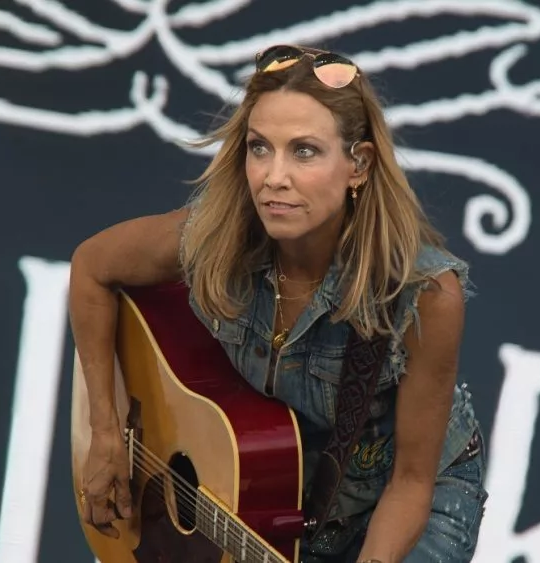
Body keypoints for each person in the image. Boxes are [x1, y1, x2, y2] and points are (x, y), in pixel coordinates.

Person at [68, 44, 488, 563]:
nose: (273, 177)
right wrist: (107, 433)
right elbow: (91, 268)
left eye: (304, 151)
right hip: (278, 492)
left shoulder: (423, 294)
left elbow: (411, 483)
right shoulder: (214, 238)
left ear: (358, 165)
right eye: (260, 147)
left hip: (406, 498)